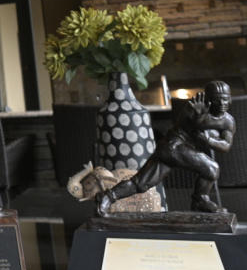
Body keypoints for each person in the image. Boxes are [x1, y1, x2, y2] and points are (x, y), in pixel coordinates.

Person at [96, 80, 235, 215]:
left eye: (225, 99)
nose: (222, 104)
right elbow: (185, 124)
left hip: (178, 151)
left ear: (230, 100)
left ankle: (108, 196)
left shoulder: (228, 121)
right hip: (174, 147)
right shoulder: (195, 108)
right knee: (212, 169)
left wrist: (208, 140)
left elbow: (226, 146)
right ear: (208, 100)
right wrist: (196, 117)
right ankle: (200, 200)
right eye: (217, 100)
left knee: (141, 183)